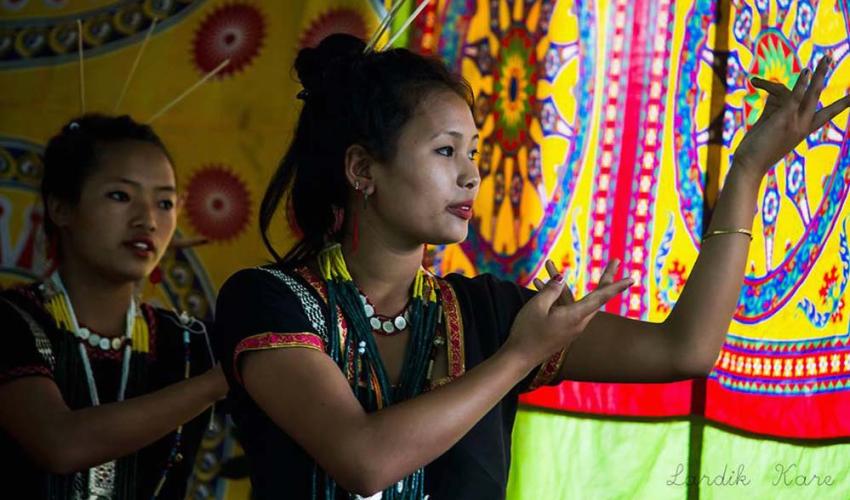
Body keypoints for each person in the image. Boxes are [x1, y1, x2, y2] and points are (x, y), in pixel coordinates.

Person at [213, 34, 849, 499]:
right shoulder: (268, 301)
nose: (471, 174)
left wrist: (747, 173)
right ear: (361, 169)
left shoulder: (486, 313)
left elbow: (684, 349)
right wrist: (519, 358)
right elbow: (363, 461)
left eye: (474, 152)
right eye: (445, 151)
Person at [0, 114, 227, 499]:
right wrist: (217, 383)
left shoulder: (188, 343)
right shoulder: (12, 321)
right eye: (121, 196)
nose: (148, 221)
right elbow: (59, 443)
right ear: (61, 207)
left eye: (165, 203)